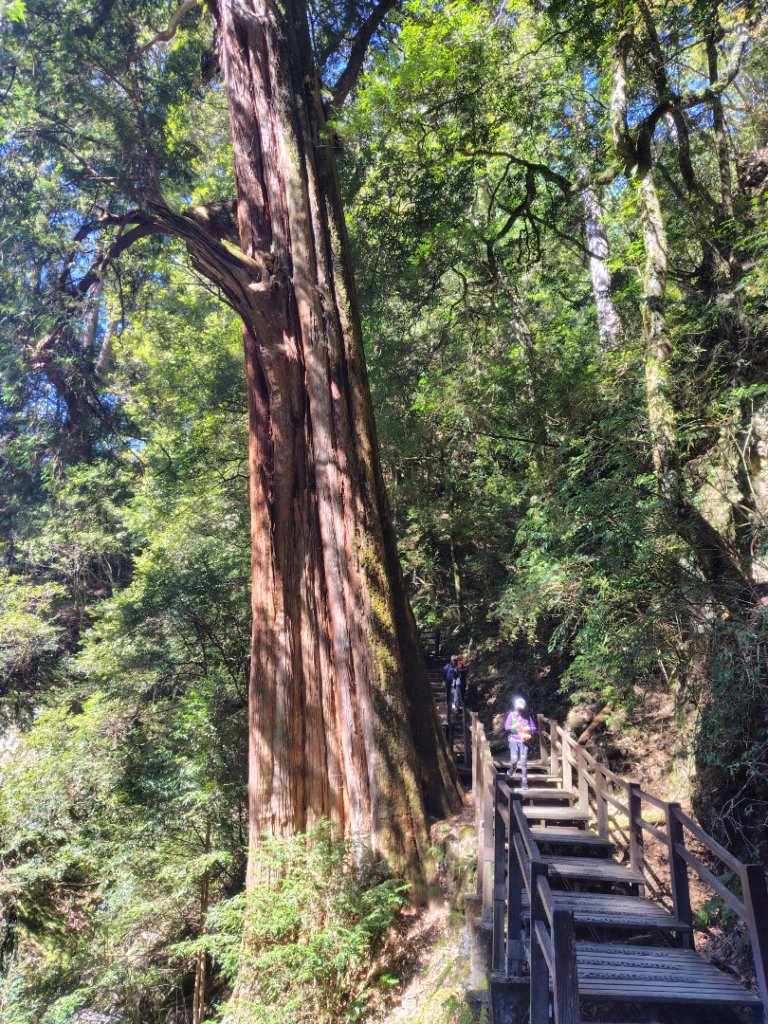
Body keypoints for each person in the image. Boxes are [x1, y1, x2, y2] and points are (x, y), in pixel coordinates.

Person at [505, 697, 536, 790]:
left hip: (524, 741)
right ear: (515, 707)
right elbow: (506, 727)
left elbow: (533, 727)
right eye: (518, 708)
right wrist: (513, 726)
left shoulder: (527, 716)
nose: (520, 710)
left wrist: (529, 729)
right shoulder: (512, 715)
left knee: (523, 763)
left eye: (521, 708)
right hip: (514, 740)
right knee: (514, 759)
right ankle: (513, 767)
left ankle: (524, 782)